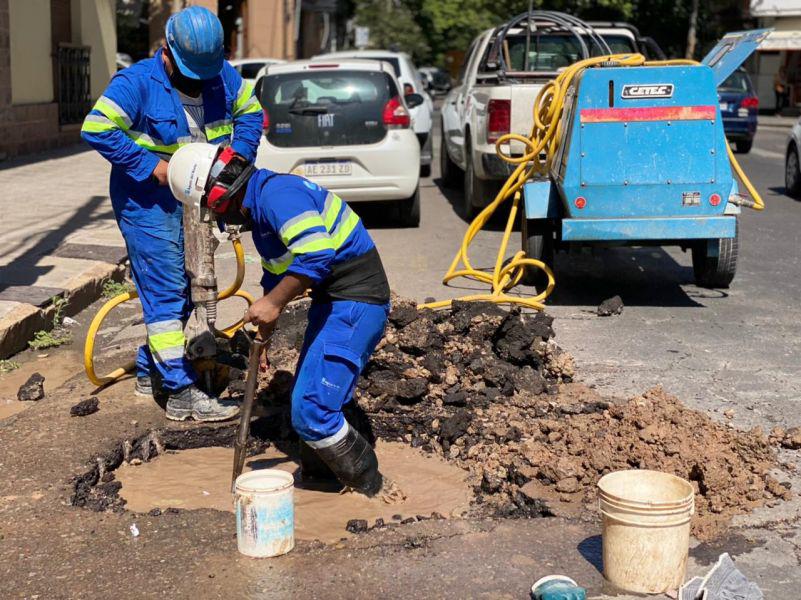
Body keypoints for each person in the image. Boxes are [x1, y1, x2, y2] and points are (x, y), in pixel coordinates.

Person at [167, 142, 391, 497]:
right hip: (335, 301)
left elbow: (316, 256)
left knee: (312, 411)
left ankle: (373, 488)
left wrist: (272, 303)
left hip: (357, 303)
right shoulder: (263, 210)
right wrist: (267, 323)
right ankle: (323, 481)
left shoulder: (278, 196)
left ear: (220, 196)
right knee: (309, 399)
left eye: (212, 209)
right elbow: (278, 274)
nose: (219, 219)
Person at [81, 7, 262, 421]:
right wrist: (151, 167)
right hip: (149, 202)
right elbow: (96, 128)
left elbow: (251, 114)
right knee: (165, 293)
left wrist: (236, 165)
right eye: (190, 72)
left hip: (197, 199)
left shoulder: (222, 75)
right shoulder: (137, 82)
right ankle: (181, 394)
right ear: (167, 50)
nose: (200, 81)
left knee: (189, 286)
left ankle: (150, 370)